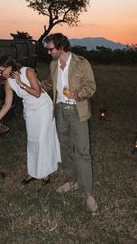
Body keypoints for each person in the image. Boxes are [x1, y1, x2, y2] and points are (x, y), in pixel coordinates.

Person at [41, 33, 98, 212]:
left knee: (82, 151)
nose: (49, 52)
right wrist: (32, 82)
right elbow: (51, 84)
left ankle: (88, 193)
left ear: (61, 47)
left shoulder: (82, 63)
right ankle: (71, 181)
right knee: (65, 149)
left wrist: (77, 94)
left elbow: (91, 86)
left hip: (77, 111)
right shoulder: (53, 64)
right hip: (60, 111)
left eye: (51, 49)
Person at [0, 55, 61, 185]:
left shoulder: (27, 71)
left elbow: (37, 93)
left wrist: (21, 84)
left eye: (1, 71)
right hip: (30, 109)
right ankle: (33, 172)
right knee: (32, 141)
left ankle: (45, 173)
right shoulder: (8, 82)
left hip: (43, 107)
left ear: (9, 67)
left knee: (41, 140)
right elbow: (7, 105)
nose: (0, 74)